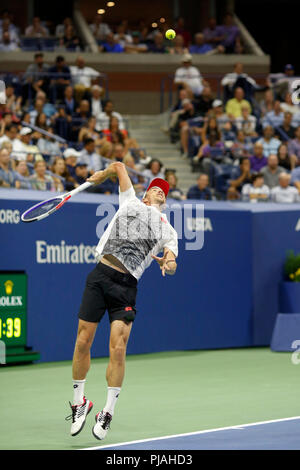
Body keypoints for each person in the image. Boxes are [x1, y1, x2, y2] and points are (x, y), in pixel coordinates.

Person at [66, 163, 178, 440]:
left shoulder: (168, 230)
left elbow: (173, 259)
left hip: (126, 288)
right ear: (145, 196)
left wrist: (169, 262)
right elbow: (119, 165)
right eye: (155, 189)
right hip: (100, 276)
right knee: (83, 341)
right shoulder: (129, 201)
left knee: (118, 348)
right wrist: (103, 175)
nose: (160, 192)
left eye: (164, 191)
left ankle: (108, 412)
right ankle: (79, 401)